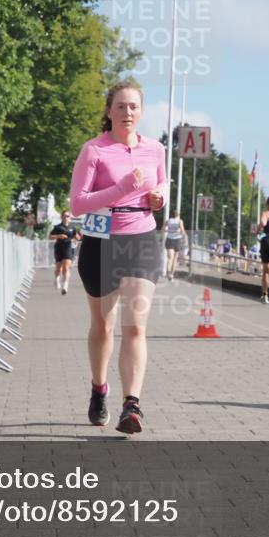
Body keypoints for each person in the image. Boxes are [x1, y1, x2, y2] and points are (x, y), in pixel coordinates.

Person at [70, 81, 167, 434]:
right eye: (121, 106)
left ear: (141, 112)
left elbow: (163, 183)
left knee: (136, 326)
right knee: (104, 326)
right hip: (101, 241)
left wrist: (159, 197)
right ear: (109, 110)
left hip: (141, 238)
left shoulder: (155, 149)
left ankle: (132, 405)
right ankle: (99, 389)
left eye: (134, 107)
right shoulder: (94, 150)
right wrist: (121, 188)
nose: (128, 112)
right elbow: (77, 203)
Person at [49, 211, 80, 295]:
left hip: (68, 249)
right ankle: (57, 278)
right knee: (58, 268)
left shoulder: (72, 227)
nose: (67, 217)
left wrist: (77, 238)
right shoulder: (57, 227)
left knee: (66, 267)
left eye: (68, 216)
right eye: (65, 216)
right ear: (62, 217)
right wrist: (59, 236)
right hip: (59, 248)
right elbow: (50, 236)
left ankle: (65, 286)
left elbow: (76, 236)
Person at [163, 210, 186, 280]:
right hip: (177, 240)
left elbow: (163, 229)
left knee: (170, 258)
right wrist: (182, 236)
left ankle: (169, 272)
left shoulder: (168, 221)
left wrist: (168, 231)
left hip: (169, 239)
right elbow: (182, 230)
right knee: (175, 258)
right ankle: (171, 275)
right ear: (178, 215)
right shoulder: (180, 221)